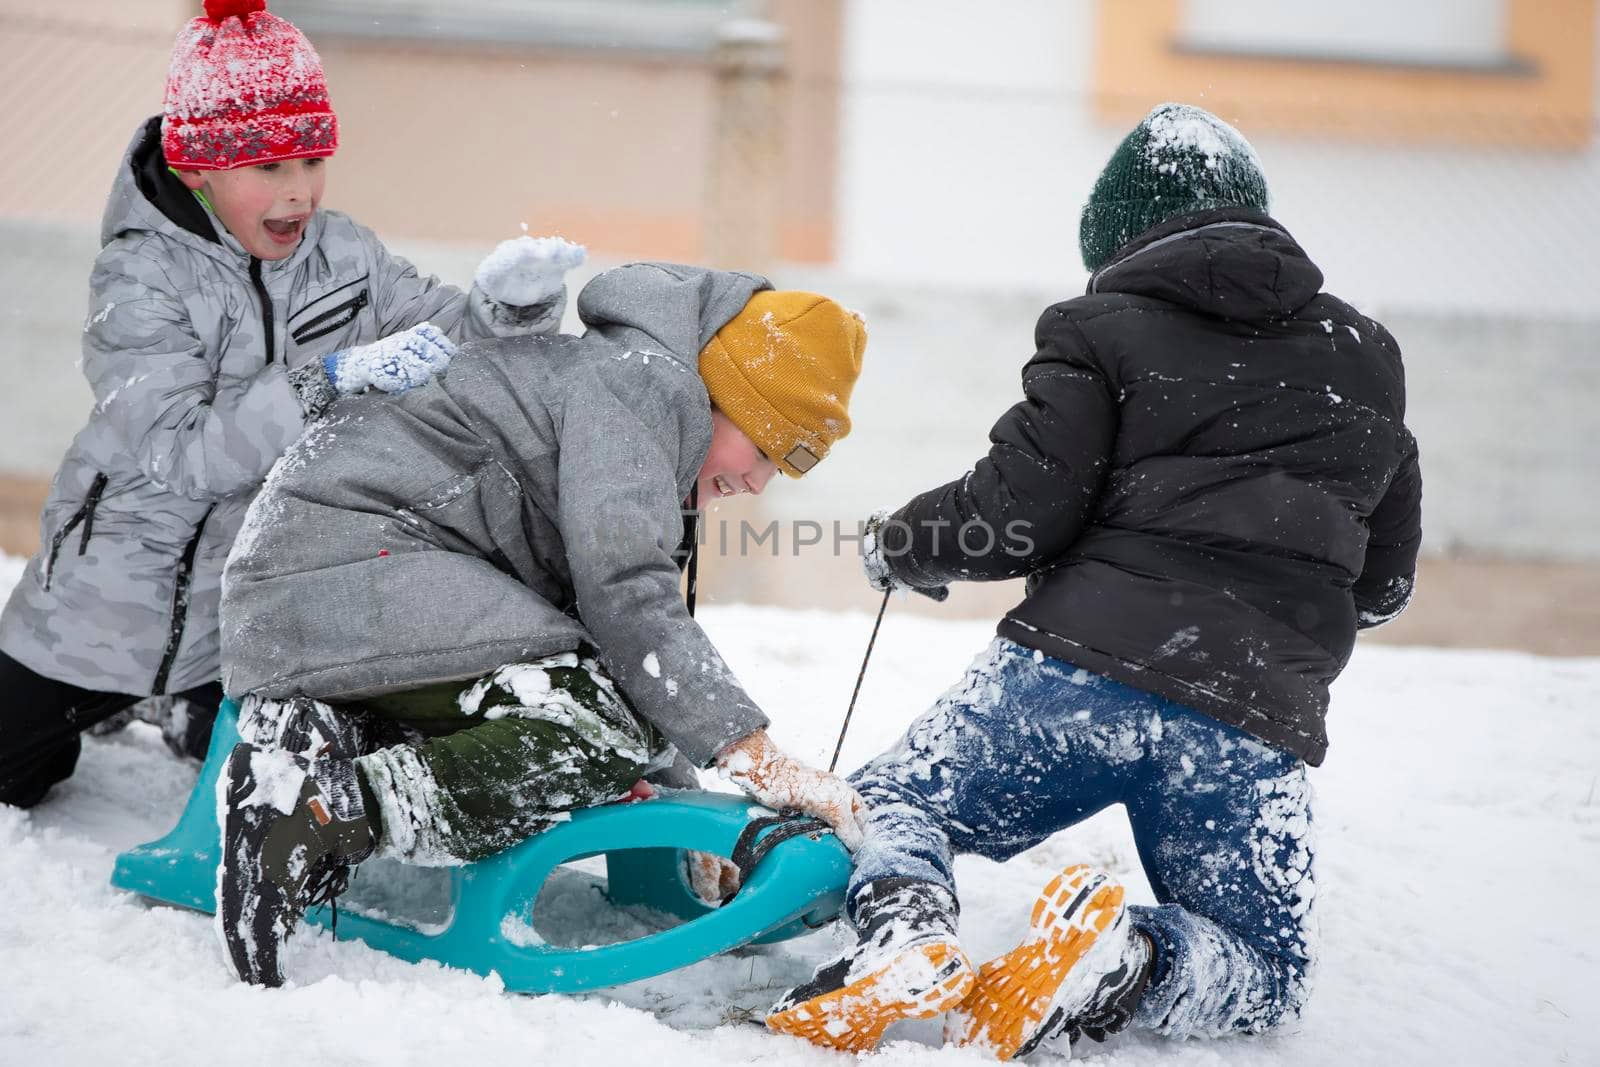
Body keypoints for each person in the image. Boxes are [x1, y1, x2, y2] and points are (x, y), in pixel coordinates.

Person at [767, 102, 1422, 1058]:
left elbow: (1022, 507)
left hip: (1075, 677)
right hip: (1248, 718)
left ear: (1118, 237)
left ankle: (906, 935)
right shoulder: (1368, 358)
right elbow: (1386, 582)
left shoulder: (1100, 325)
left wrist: (908, 542)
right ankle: (1127, 965)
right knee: (1263, 971)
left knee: (890, 807)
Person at [213, 262, 871, 988]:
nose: (757, 482)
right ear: (724, 395)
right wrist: (753, 756)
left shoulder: (633, 391)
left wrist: (676, 789)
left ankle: (325, 733)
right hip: (343, 563)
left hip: (318, 593)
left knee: (614, 723)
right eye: (764, 447)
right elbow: (626, 595)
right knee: (602, 727)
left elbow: (618, 633)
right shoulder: (643, 388)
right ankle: (318, 811)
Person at [0, 0, 582, 806]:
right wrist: (325, 380)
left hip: (244, 612)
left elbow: (442, 332)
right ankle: (109, 702)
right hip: (104, 604)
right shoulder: (139, 279)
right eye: (268, 168)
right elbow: (183, 452)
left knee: (244, 762)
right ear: (199, 166)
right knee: (18, 776)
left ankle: (184, 703)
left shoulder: (342, 255)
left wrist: (505, 310)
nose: (299, 192)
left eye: (312, 161)